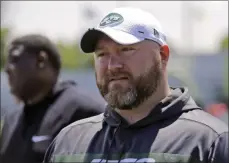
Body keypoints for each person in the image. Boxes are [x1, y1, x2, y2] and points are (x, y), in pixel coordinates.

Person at [44, 7, 228, 163]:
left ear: (162, 56)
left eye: (126, 50)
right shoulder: (67, 144)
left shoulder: (210, 142)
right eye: (102, 54)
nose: (112, 66)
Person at [0, 34, 106, 163]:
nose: (7, 69)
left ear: (41, 60)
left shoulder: (86, 111)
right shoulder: (12, 120)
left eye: (14, 59)